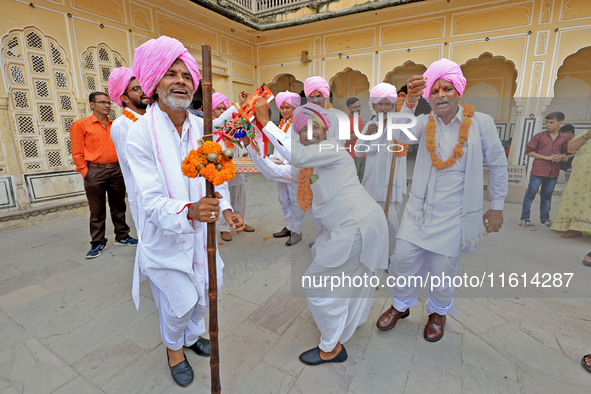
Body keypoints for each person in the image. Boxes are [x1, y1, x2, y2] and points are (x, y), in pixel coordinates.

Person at [126, 35, 245, 387]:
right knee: (179, 302)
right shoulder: (140, 134)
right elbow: (148, 199)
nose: (180, 80)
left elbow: (215, 176)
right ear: (154, 83)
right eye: (170, 73)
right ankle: (173, 349)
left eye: (186, 75)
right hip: (164, 237)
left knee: (206, 292)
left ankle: (192, 338)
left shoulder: (201, 128)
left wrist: (225, 210)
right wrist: (189, 211)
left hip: (201, 235)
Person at [376, 58, 508, 342]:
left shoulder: (481, 122)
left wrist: (497, 206)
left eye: (447, 88)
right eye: (434, 91)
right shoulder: (424, 122)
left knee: (443, 270)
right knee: (402, 260)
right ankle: (401, 305)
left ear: (458, 91)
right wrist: (409, 102)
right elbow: (398, 136)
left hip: (455, 214)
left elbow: (498, 164)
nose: (441, 95)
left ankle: (438, 312)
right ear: (428, 97)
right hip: (419, 210)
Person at [288, 103, 388, 365]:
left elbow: (296, 156)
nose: (312, 133)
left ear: (325, 129)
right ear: (297, 135)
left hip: (358, 225)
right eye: (304, 130)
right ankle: (343, 324)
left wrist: (266, 122)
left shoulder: (332, 149)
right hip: (354, 225)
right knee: (344, 276)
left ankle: (331, 348)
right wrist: (253, 143)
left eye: (316, 127)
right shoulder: (311, 163)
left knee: (314, 283)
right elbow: (278, 169)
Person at [70, 91, 137, 259]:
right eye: (102, 102)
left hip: (116, 170)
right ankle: (97, 242)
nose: (107, 105)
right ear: (92, 104)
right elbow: (77, 153)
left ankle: (122, 236)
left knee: (119, 206)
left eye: (108, 102)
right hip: (95, 171)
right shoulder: (81, 125)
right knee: (97, 209)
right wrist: (86, 173)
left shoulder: (115, 125)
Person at [361, 83, 407, 254]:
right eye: (380, 104)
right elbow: (359, 150)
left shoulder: (399, 124)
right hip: (372, 181)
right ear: (374, 106)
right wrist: (366, 135)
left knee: (391, 221)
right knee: (372, 218)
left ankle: (390, 254)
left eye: (387, 104)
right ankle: (373, 250)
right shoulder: (369, 125)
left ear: (393, 105)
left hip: (391, 181)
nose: (384, 107)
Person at [107, 67, 150, 228]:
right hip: (143, 194)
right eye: (137, 88)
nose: (144, 92)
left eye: (144, 86)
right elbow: (132, 163)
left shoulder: (154, 117)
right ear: (124, 97)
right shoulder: (121, 125)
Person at [211, 92, 254, 241]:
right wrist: (239, 105)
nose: (222, 111)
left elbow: (243, 142)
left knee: (239, 195)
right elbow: (221, 120)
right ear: (212, 111)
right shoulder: (210, 126)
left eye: (224, 108)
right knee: (222, 196)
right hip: (219, 170)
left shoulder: (231, 126)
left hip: (235, 168)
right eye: (218, 108)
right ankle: (223, 228)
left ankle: (242, 220)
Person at [266, 90, 305, 246]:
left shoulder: (299, 126)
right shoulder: (283, 123)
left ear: (295, 108)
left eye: (287, 107)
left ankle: (297, 231)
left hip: (293, 168)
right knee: (283, 198)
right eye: (281, 107)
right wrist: (273, 159)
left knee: (295, 199)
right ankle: (289, 226)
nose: (284, 111)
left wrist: (287, 163)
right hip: (281, 167)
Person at [519, 112, 570, 230]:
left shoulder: (564, 138)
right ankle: (524, 219)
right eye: (546, 122)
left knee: (547, 195)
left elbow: (565, 153)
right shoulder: (539, 136)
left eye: (551, 122)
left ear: (560, 123)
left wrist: (561, 156)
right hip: (538, 170)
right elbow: (529, 152)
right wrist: (547, 157)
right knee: (530, 194)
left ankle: (545, 219)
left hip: (554, 171)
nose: (547, 125)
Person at [552, 129, 591, 238]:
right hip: (579, 178)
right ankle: (574, 228)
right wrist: (586, 137)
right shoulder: (586, 133)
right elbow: (569, 148)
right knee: (576, 200)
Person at [303, 76, 348, 145]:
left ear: (325, 96)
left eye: (318, 96)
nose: (315, 100)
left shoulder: (337, 116)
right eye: (311, 97)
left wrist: (322, 142)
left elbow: (341, 141)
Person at [345, 97, 366, 181]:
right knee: (353, 180)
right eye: (355, 107)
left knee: (363, 179)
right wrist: (363, 130)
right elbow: (347, 139)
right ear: (349, 108)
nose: (358, 109)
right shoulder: (346, 120)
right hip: (352, 155)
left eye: (359, 106)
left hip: (362, 153)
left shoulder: (359, 118)